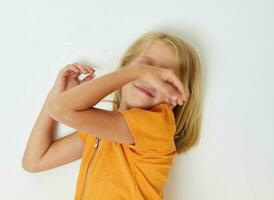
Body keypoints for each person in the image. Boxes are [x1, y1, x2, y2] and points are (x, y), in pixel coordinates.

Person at [21, 30, 203, 200]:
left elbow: (61, 109)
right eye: (147, 66)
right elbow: (35, 160)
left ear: (176, 98)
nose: (150, 79)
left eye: (164, 77)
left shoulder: (156, 127)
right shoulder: (101, 131)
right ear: (125, 67)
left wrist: (138, 70)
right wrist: (54, 95)